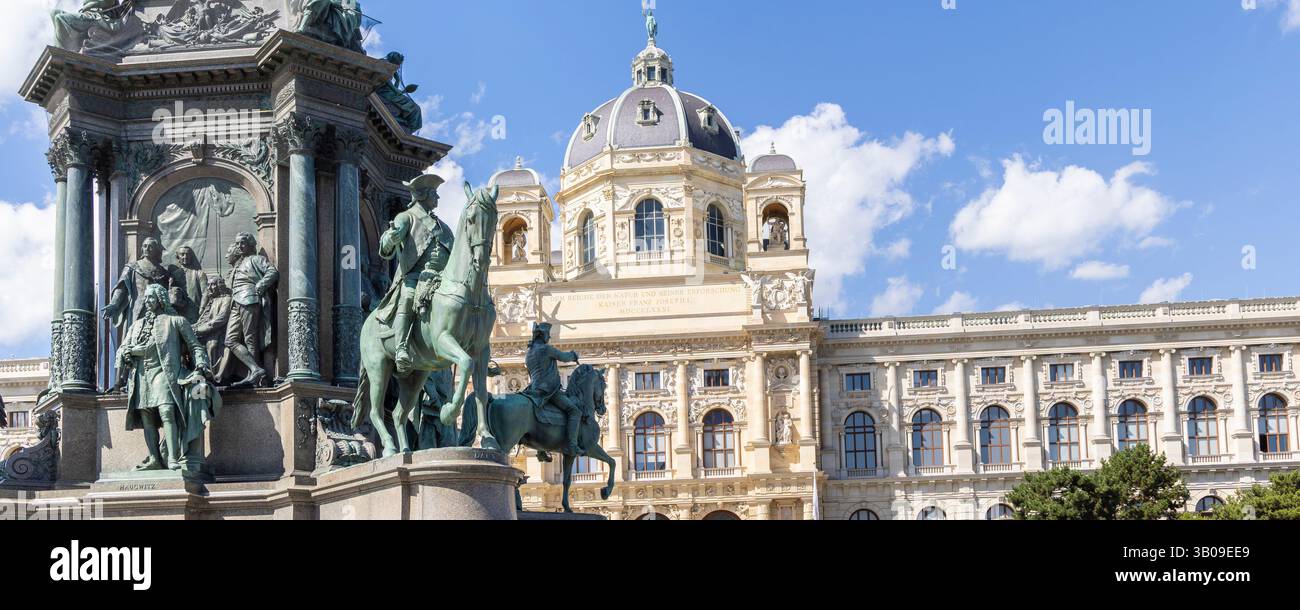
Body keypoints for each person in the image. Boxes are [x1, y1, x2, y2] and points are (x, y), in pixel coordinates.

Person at [117, 284, 218, 472]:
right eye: (146, 298)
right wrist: (128, 353)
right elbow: (122, 348)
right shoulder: (136, 325)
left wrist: (201, 365)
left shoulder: (176, 321)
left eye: (151, 297)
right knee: (147, 417)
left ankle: (172, 458)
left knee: (166, 412)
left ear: (161, 298)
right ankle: (155, 458)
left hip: (165, 372)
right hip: (142, 375)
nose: (147, 301)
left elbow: (195, 346)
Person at [373, 174, 454, 375]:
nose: (438, 198)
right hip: (415, 277)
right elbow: (386, 243)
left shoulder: (443, 226)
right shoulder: (406, 217)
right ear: (423, 195)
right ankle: (401, 347)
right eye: (434, 193)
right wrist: (390, 239)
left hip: (441, 279)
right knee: (408, 298)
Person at [225, 233, 279, 388]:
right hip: (236, 302)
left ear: (250, 244)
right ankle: (255, 369)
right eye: (237, 244)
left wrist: (260, 286)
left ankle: (255, 376)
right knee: (230, 340)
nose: (239, 246)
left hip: (249, 299)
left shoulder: (256, 259)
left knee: (250, 338)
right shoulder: (239, 264)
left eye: (242, 243)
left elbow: (272, 272)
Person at [521, 323, 583, 456]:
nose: (548, 338)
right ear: (543, 336)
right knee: (574, 411)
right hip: (549, 390)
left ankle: (541, 450)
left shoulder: (529, 353)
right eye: (548, 335)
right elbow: (564, 357)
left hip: (533, 389)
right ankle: (572, 445)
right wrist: (574, 355)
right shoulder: (546, 349)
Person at [103, 238, 179, 345]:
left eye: (150, 246)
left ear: (157, 250)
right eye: (144, 246)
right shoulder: (132, 267)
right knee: (135, 338)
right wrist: (114, 304)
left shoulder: (163, 272)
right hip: (137, 309)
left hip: (158, 311)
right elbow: (122, 287)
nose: (147, 248)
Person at [192, 276, 234, 384]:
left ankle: (215, 377)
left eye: (213, 284)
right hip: (208, 333)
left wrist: (200, 330)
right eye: (208, 285)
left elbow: (221, 318)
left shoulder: (227, 299)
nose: (209, 287)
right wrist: (193, 327)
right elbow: (204, 318)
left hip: (220, 333)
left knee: (212, 346)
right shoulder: (212, 301)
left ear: (220, 286)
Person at [173, 246, 208, 323]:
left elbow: (206, 293)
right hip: (178, 312)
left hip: (195, 311)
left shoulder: (199, 273)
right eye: (182, 254)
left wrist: (202, 309)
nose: (185, 257)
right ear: (178, 257)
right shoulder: (174, 275)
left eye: (187, 254)